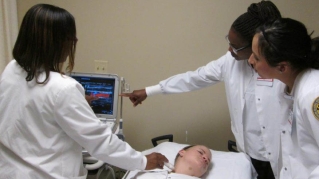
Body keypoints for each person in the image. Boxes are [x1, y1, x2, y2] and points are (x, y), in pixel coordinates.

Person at [121, 1, 288, 179]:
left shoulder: (280, 70)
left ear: (256, 45)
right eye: (229, 41)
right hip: (245, 153)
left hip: (276, 157)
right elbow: (194, 78)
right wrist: (150, 91)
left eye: (236, 47)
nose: (229, 49)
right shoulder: (229, 62)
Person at [0, 4, 168, 179]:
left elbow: (31, 112)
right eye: (70, 37)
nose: (75, 41)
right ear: (56, 42)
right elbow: (101, 142)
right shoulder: (63, 88)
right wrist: (143, 161)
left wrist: (75, 104)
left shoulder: (12, 69)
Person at [248, 18, 319, 178]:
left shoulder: (313, 94)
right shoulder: (285, 87)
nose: (250, 60)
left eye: (256, 57)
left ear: (282, 67)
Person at [128, 145, 212, 179]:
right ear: (182, 152)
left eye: (208, 161)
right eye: (200, 152)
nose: (205, 158)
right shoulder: (145, 173)